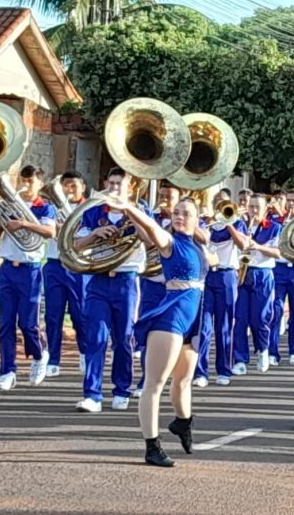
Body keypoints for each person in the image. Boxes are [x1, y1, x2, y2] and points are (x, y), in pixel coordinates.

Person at [120, 197, 210, 467]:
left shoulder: (197, 246)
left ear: (196, 220)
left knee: (183, 380)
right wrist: (128, 207)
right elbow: (150, 226)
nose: (180, 217)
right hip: (170, 317)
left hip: (193, 319)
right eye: (176, 213)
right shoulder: (170, 243)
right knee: (154, 385)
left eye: (186, 214)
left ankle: (183, 423)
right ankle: (152, 446)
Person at [73, 168, 147, 413]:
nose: (115, 188)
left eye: (119, 184)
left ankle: (121, 388)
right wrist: (95, 234)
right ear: (105, 183)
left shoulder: (139, 211)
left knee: (124, 338)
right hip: (98, 279)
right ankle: (92, 394)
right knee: (95, 337)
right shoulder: (94, 212)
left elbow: (149, 239)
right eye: (111, 183)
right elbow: (75, 245)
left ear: (130, 188)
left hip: (126, 281)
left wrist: (130, 211)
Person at [0, 165, 57, 390]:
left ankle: (39, 355)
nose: (25, 186)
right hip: (8, 268)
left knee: (28, 324)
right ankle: (7, 371)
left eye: (30, 182)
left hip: (30, 270)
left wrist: (23, 223)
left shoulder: (44, 208)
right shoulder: (10, 204)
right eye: (23, 181)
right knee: (5, 323)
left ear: (39, 184)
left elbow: (50, 233)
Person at [195, 191, 248, 387]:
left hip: (226, 275)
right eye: (218, 203)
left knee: (224, 325)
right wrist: (208, 221)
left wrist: (229, 224)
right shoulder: (205, 224)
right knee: (203, 326)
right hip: (208, 275)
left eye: (224, 204)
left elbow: (243, 245)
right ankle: (201, 372)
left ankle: (224, 369)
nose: (221, 207)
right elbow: (202, 241)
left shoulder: (237, 224)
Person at [134, 182, 181, 392]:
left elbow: (201, 239)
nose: (164, 200)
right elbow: (147, 241)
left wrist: (175, 219)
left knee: (176, 336)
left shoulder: (187, 221)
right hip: (152, 283)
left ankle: (177, 378)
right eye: (162, 195)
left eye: (169, 196)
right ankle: (146, 380)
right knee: (149, 334)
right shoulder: (152, 218)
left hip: (177, 288)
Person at [232, 194, 282, 374]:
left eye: (256, 207)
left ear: (265, 210)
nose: (253, 211)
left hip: (263, 274)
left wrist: (257, 246)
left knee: (260, 318)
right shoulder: (242, 226)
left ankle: (263, 349)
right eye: (250, 206)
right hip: (244, 272)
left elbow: (278, 253)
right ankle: (239, 359)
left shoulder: (275, 227)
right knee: (240, 318)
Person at [43, 171, 86, 378]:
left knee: (80, 313)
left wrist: (66, 229)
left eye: (73, 186)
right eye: (65, 186)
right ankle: (53, 359)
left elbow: (84, 235)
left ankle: (85, 352)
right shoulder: (52, 208)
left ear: (82, 188)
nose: (69, 191)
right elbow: (49, 231)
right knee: (53, 315)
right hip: (55, 264)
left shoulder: (90, 208)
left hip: (78, 267)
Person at [270, 188, 294, 366]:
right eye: (288, 200)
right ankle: (272, 351)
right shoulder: (277, 220)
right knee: (276, 309)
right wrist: (283, 219)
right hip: (279, 268)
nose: (290, 204)